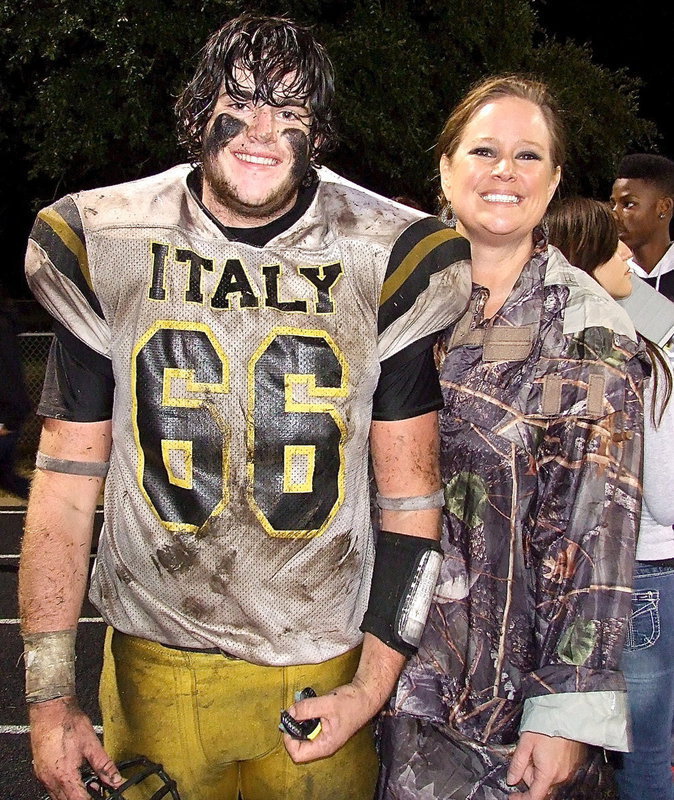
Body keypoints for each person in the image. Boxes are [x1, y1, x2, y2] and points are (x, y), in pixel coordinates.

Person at [19, 14, 472, 800]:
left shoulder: (387, 253)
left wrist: (370, 685)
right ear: (198, 113)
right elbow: (64, 487)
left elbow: (412, 500)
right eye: (242, 102)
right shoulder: (109, 237)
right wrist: (50, 698)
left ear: (320, 137)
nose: (265, 130)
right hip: (155, 654)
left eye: (292, 113)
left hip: (320, 655)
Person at [377, 76, 647, 800]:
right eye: (485, 150)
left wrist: (565, 714)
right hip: (377, 685)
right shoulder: (390, 300)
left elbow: (593, 532)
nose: (505, 171)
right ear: (444, 166)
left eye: (529, 156)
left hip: (499, 716)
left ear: (555, 179)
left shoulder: (584, 333)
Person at [548, 196, 674, 800]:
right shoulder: (634, 353)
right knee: (644, 760)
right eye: (612, 242)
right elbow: (668, 500)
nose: (629, 250)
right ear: (585, 262)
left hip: (552, 581)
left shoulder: (531, 345)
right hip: (642, 574)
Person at [611, 153, 674, 301]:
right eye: (613, 204)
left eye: (628, 204)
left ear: (664, 207)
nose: (615, 214)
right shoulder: (610, 276)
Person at [0, 291, 31, 500]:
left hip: (4, 415)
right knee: (6, 478)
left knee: (6, 478)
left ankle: (58, 504)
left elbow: (7, 375)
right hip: (8, 413)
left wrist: (9, 418)